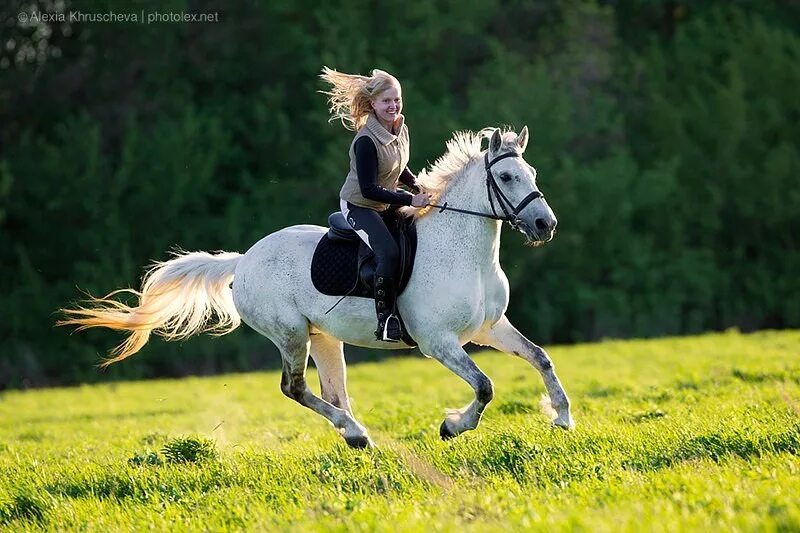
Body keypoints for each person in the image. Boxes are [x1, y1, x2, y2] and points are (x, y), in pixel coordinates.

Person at [320, 67, 430, 342]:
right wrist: (410, 199)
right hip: (360, 205)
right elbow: (369, 189)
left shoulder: (400, 128)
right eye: (386, 101)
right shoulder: (366, 141)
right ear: (373, 104)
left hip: (384, 201)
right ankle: (386, 319)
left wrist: (417, 185)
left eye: (397, 100)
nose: (393, 106)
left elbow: (399, 167)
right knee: (389, 252)